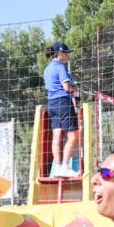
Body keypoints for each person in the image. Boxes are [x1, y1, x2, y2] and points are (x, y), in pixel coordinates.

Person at [43, 42, 78, 178]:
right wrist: (76, 88)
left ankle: (57, 167)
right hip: (63, 102)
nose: (68, 55)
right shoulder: (61, 67)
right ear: (60, 53)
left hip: (51, 103)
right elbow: (66, 88)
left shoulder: (47, 69)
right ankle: (65, 167)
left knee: (57, 136)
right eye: (66, 52)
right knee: (73, 136)